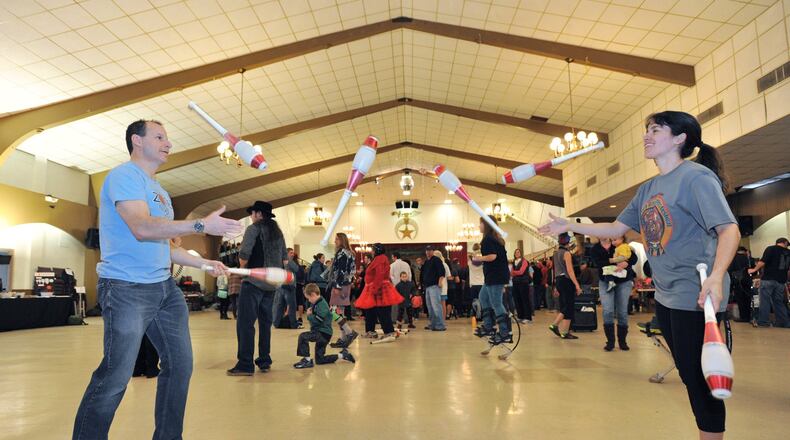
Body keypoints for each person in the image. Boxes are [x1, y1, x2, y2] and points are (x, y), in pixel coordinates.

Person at [539, 111, 739, 439]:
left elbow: (728, 229)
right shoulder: (648, 188)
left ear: (679, 138)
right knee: (690, 376)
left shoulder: (697, 178)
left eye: (655, 130)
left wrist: (717, 276)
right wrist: (570, 224)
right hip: (666, 294)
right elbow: (617, 227)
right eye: (646, 130)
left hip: (697, 293)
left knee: (698, 381)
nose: (646, 135)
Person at [73, 119, 240, 440]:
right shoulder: (124, 176)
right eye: (160, 137)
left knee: (180, 365)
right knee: (116, 375)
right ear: (137, 141)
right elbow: (142, 227)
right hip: (125, 288)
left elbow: (164, 246)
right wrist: (201, 227)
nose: (169, 143)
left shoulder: (160, 191)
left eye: (168, 137)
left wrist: (204, 262)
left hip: (164, 289)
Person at [228, 200, 287, 376]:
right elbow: (285, 259)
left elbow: (244, 254)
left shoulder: (253, 229)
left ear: (259, 214)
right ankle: (264, 360)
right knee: (265, 324)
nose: (251, 216)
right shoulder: (278, 233)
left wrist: (242, 266)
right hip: (271, 284)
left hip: (253, 282)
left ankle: (245, 364)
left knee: (245, 324)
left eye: (252, 213)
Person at [293, 283, 356, 369]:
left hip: (322, 333)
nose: (308, 300)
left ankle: (307, 360)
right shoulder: (317, 303)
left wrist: (309, 315)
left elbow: (319, 320)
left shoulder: (322, 304)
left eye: (308, 298)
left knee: (303, 336)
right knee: (320, 359)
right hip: (323, 333)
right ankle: (342, 355)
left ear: (313, 295)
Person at [472, 216, 512, 345]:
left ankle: (505, 333)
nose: (479, 226)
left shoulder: (488, 239)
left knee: (496, 303)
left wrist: (479, 258)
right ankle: (489, 326)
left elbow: (492, 256)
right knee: (482, 297)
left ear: (486, 225)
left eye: (480, 224)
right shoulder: (492, 238)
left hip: (496, 276)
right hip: (493, 276)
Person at [355, 243, 404, 343]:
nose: (371, 252)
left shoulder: (381, 258)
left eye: (373, 250)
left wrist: (375, 288)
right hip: (374, 288)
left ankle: (389, 331)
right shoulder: (378, 258)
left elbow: (380, 274)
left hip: (379, 289)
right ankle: (371, 331)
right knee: (370, 310)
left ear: (377, 250)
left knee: (383, 311)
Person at [546, 233, 582, 339]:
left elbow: (555, 270)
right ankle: (556, 325)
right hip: (566, 281)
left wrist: (556, 286)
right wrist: (577, 285)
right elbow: (570, 271)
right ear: (568, 241)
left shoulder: (556, 253)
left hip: (559, 281)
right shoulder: (566, 253)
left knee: (565, 305)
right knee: (569, 306)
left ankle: (564, 331)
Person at [748, 238, 790, 328]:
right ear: (785, 242)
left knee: (765, 301)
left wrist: (754, 269)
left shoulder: (771, 249)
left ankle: (763, 322)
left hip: (768, 279)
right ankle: (784, 322)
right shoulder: (788, 252)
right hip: (781, 281)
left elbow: (763, 261)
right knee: (779, 302)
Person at [327, 233, 359, 348]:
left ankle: (349, 333)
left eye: (336, 239)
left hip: (340, 285)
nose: (335, 241)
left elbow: (341, 271)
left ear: (342, 240)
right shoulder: (348, 253)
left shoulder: (342, 253)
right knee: (340, 311)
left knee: (334, 311)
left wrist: (337, 286)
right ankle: (342, 338)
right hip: (345, 284)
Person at [420, 246, 447, 331]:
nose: (428, 252)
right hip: (427, 287)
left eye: (430, 250)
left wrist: (440, 281)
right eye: (427, 250)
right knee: (430, 307)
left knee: (436, 306)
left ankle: (440, 325)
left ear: (433, 251)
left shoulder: (436, 260)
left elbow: (442, 271)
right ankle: (432, 324)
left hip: (434, 286)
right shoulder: (427, 262)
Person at [272, 247, 300, 329]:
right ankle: (293, 324)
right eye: (291, 253)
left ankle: (276, 323)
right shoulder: (289, 261)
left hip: (280, 286)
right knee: (291, 305)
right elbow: (296, 269)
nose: (293, 254)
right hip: (289, 286)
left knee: (279, 306)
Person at [511, 248, 532, 323]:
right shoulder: (513, 262)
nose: (517, 253)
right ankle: (520, 316)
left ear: (521, 253)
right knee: (517, 300)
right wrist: (514, 272)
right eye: (516, 252)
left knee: (525, 300)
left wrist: (513, 272)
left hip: (523, 282)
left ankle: (528, 317)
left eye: (518, 252)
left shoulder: (524, 261)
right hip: (515, 283)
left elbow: (521, 272)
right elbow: (512, 273)